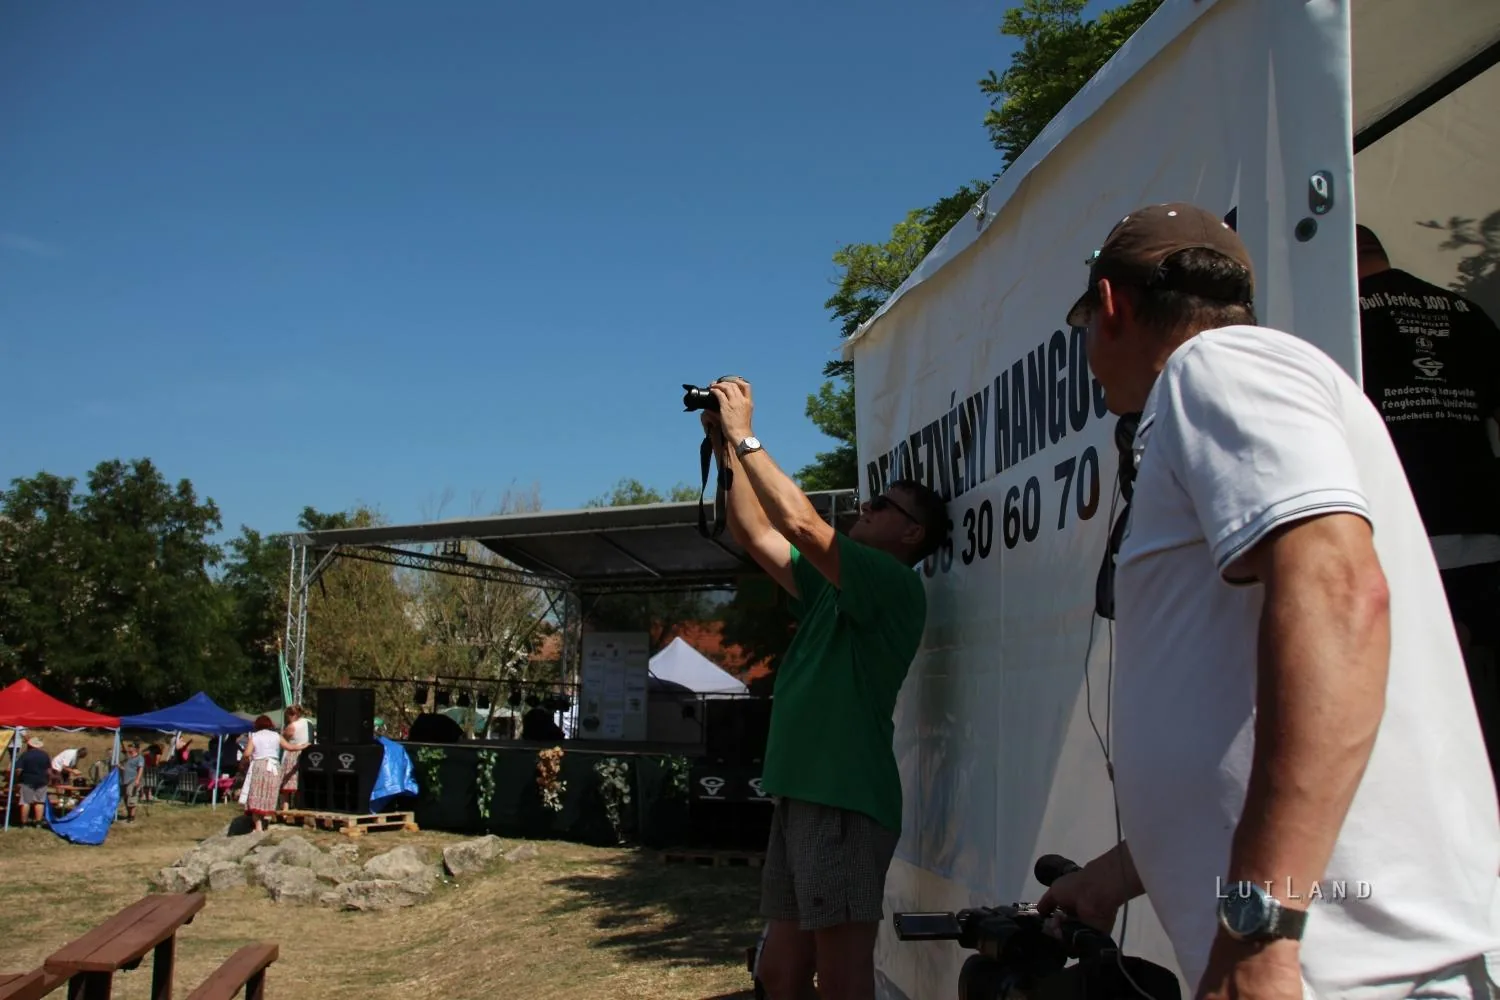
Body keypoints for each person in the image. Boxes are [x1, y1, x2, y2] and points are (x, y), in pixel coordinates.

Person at [1039, 203, 1500, 1000]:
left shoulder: (1214, 367)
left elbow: (1340, 595)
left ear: (1110, 306)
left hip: (1351, 972)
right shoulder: (1233, 382)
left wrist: (1261, 929)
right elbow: (1237, 707)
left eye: (1083, 320)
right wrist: (1121, 872)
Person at [700, 377, 947, 1000]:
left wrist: (746, 435)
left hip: (843, 799)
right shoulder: (833, 588)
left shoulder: (892, 585)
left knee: (841, 980)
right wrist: (725, 451)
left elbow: (803, 524)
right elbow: (757, 535)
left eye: (884, 507)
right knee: (779, 976)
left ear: (912, 534)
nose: (867, 508)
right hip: (803, 796)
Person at [1356, 224, 1500, 786]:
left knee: (1421, 712)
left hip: (1402, 541)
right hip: (1484, 529)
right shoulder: (1465, 314)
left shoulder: (1345, 322)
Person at [242, 715, 307, 832]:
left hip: (260, 765)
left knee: (256, 794)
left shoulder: (255, 736)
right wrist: (304, 746)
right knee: (269, 794)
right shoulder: (276, 736)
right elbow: (290, 748)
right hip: (274, 767)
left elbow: (247, 754)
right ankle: (265, 821)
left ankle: (258, 826)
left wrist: (245, 762)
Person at [278, 705, 311, 811]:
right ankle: (299, 807)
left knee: (286, 785)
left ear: (291, 715)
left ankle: (285, 809)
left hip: (293, 753)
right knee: (300, 783)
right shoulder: (308, 722)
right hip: (306, 754)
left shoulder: (292, 726)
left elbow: (282, 740)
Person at [15, 736, 51, 827]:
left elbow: (18, 769)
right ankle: (38, 822)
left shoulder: (25, 755)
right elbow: (49, 770)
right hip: (42, 781)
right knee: (39, 802)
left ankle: (23, 822)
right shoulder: (45, 755)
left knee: (26, 802)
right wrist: (48, 780)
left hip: (28, 780)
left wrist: (17, 779)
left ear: (29, 745)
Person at [118, 742, 144, 823]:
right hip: (125, 780)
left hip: (133, 780)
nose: (129, 749)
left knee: (132, 798)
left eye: (131, 747)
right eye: (128, 747)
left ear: (135, 749)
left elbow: (140, 769)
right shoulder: (128, 758)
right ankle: (128, 815)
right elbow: (126, 769)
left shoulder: (139, 758)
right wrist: (119, 767)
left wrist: (137, 780)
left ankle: (132, 817)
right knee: (126, 798)